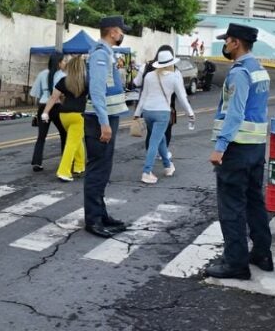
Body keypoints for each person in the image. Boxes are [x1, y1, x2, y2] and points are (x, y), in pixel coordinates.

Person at [205, 23, 271, 280]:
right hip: (256, 147)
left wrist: (220, 147)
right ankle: (262, 254)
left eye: (227, 40)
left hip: (237, 149)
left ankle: (236, 263)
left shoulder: (239, 73)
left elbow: (235, 111)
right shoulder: (260, 70)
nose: (225, 45)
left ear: (235, 43)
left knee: (231, 206)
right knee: (255, 201)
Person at [82, 15, 131, 238]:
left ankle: (101, 215)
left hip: (107, 118)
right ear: (113, 32)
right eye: (121, 31)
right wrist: (104, 123)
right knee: (97, 171)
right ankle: (92, 220)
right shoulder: (100, 55)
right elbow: (97, 91)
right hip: (99, 121)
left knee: (103, 170)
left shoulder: (106, 54)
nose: (122, 35)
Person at [133, 49, 194, 184]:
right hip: (162, 113)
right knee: (155, 141)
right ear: (170, 63)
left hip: (148, 112)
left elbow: (143, 96)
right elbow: (182, 97)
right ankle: (146, 172)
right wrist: (190, 113)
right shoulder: (174, 77)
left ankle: (168, 165)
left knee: (160, 140)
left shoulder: (149, 76)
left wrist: (137, 113)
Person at [42, 55, 88, 182]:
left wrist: (45, 112)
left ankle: (79, 166)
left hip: (64, 115)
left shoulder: (63, 80)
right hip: (79, 115)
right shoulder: (86, 81)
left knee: (76, 139)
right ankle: (63, 171)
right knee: (72, 143)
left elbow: (53, 98)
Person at [134, 45, 177, 155]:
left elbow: (137, 83)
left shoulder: (145, 66)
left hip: (148, 106)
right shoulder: (174, 69)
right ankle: (163, 154)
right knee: (166, 131)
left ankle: (151, 153)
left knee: (151, 131)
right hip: (166, 107)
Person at [29, 52, 68, 171]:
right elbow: (62, 94)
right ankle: (65, 158)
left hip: (43, 106)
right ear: (58, 63)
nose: (65, 63)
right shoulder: (62, 76)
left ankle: (37, 162)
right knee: (64, 133)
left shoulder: (42, 74)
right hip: (56, 107)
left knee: (41, 136)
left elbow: (35, 93)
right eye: (63, 61)